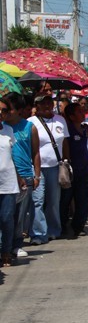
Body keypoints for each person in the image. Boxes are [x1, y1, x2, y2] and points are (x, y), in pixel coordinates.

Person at [28, 94, 70, 244]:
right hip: (37, 168)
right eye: (42, 103)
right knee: (37, 201)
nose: (46, 105)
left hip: (54, 167)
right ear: (37, 105)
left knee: (53, 201)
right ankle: (38, 234)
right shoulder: (31, 122)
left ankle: (53, 230)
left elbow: (64, 142)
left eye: (48, 103)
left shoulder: (60, 120)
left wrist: (66, 162)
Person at [3, 93, 40, 258]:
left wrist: (37, 175)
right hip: (7, 178)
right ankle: (5, 245)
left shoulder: (29, 127)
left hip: (26, 176)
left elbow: (36, 152)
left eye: (8, 109)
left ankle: (16, 245)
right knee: (5, 216)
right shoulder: (2, 127)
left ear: (18, 110)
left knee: (19, 215)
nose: (5, 113)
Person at [60, 103, 88, 238]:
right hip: (71, 170)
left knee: (83, 199)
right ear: (71, 116)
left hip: (84, 169)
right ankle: (63, 225)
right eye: (79, 111)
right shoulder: (68, 130)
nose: (82, 112)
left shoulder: (84, 129)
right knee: (66, 199)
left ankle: (79, 226)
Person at [0, 98, 23, 267]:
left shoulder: (8, 130)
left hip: (8, 182)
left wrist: (19, 176)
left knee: (7, 218)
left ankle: (6, 251)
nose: (1, 113)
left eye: (3, 111)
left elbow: (12, 157)